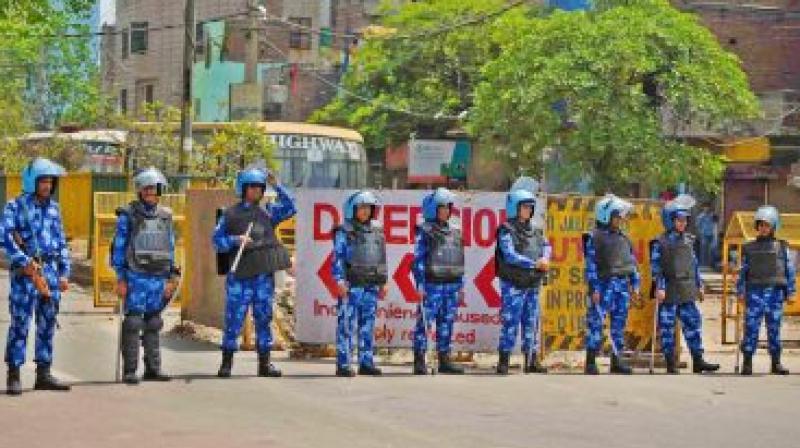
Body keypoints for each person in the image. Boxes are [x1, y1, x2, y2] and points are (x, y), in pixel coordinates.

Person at [212, 167, 295, 378]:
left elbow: (292, 206)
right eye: (253, 187)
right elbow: (217, 242)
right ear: (243, 188)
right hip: (239, 276)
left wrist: (277, 185)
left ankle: (264, 364)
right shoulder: (230, 215)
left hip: (262, 276)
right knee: (234, 320)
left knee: (263, 318)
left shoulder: (268, 212)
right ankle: (226, 363)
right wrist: (235, 240)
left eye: (260, 187)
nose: (257, 191)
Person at [4, 158, 71, 395]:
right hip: (26, 275)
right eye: (43, 180)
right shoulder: (16, 206)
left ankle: (43, 373)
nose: (48, 185)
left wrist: (64, 272)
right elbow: (5, 238)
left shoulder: (54, 208)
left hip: (50, 274)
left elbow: (61, 241)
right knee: (20, 323)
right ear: (32, 181)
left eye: (50, 181)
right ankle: (13, 374)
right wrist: (24, 262)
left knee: (47, 324)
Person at [111, 167, 180, 384]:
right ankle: (130, 370)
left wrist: (171, 276)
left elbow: (169, 246)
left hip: (158, 276)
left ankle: (153, 369)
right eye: (147, 188)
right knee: (132, 323)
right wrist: (121, 277)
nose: (152, 192)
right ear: (140, 190)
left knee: (153, 322)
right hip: (135, 276)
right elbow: (119, 248)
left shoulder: (166, 216)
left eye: (155, 188)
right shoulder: (128, 216)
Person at [650, 194, 719, 374]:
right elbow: (656, 269)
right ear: (670, 220)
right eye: (679, 220)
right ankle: (670, 363)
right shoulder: (660, 242)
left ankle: (698, 360)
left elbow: (694, 265)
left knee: (693, 324)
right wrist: (660, 287)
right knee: (667, 328)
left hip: (687, 288)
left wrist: (699, 285)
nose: (683, 223)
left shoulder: (689, 240)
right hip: (669, 289)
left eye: (685, 220)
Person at [331, 190, 388, 377]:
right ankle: (344, 363)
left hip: (371, 284)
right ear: (352, 209)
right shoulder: (344, 230)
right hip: (351, 284)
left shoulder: (377, 230)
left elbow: (381, 257)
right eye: (361, 207)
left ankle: (366, 362)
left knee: (368, 325)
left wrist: (383, 281)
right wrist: (339, 280)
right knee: (346, 324)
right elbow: (337, 258)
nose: (365, 211)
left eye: (368, 208)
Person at [495, 186, 551, 375]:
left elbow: (546, 246)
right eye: (525, 207)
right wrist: (534, 263)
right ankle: (504, 361)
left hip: (532, 283)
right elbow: (509, 255)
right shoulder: (506, 230)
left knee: (531, 322)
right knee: (510, 322)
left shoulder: (536, 230)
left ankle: (531, 360)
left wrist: (545, 259)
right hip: (513, 284)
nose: (528, 210)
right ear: (514, 208)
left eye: (530, 207)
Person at [583, 194, 640, 375]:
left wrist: (635, 283)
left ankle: (617, 362)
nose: (620, 220)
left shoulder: (624, 238)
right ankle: (590, 362)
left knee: (618, 326)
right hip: (603, 286)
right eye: (617, 216)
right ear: (606, 216)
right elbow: (590, 265)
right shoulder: (594, 237)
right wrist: (594, 288)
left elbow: (631, 263)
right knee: (596, 324)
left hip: (621, 287)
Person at [736, 205, 796, 375]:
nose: (763, 228)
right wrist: (740, 291)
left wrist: (791, 291)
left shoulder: (782, 247)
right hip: (754, 292)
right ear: (757, 227)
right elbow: (743, 271)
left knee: (774, 328)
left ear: (773, 227)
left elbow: (788, 270)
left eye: (767, 225)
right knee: (751, 327)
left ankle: (776, 363)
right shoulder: (749, 247)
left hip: (775, 293)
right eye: (761, 225)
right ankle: (747, 362)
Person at [412, 188, 466, 375]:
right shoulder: (424, 231)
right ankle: (419, 360)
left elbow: (459, 257)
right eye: (442, 207)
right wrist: (419, 284)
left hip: (451, 284)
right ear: (433, 208)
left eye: (448, 207)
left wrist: (461, 285)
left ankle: (444, 360)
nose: (446, 211)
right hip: (431, 284)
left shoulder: (454, 230)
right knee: (425, 324)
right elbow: (417, 259)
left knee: (447, 323)